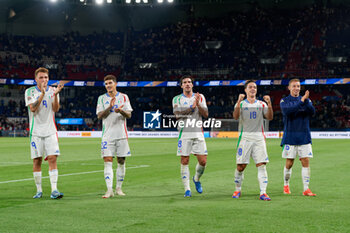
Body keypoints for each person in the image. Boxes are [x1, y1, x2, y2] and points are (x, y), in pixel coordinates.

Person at [24, 67, 64, 199]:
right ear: (36, 79)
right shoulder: (29, 91)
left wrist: (56, 94)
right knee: (37, 161)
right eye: (41, 77)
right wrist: (42, 93)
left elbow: (56, 109)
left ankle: (54, 189)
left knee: (53, 158)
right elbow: (33, 108)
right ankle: (39, 190)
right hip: (36, 132)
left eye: (46, 77)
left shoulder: (53, 90)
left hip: (51, 130)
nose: (44, 80)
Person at [232, 80, 273, 201]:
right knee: (240, 167)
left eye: (254, 87)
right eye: (250, 87)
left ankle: (263, 192)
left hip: (259, 139)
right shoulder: (241, 104)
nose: (252, 89)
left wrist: (269, 103)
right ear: (245, 90)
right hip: (245, 139)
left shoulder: (261, 104)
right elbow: (235, 117)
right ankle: (237, 190)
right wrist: (239, 101)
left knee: (261, 165)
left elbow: (269, 117)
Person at [96, 74, 132, 198]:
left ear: (115, 84)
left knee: (121, 161)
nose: (108, 86)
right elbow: (100, 115)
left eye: (110, 83)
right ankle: (109, 189)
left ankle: (119, 188)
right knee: (107, 161)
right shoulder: (101, 98)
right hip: (107, 136)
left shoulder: (124, 97)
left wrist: (120, 111)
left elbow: (129, 115)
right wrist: (110, 107)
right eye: (106, 84)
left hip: (121, 135)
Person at [172, 75, 208, 197]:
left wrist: (198, 105)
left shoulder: (200, 97)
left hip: (198, 133)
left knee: (203, 161)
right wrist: (191, 108)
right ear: (181, 85)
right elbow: (177, 115)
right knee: (184, 160)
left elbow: (206, 114)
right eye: (184, 82)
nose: (187, 84)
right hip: (184, 133)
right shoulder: (177, 99)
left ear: (192, 85)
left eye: (189, 82)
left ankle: (196, 179)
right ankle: (187, 189)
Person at [280, 79, 316, 196]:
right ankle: (286, 185)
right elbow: (288, 111)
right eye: (294, 86)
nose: (297, 88)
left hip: (304, 136)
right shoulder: (284, 101)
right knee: (289, 163)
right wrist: (301, 101)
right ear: (289, 88)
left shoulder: (306, 100)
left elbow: (312, 112)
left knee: (305, 161)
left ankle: (306, 189)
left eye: (298, 86)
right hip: (290, 136)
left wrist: (306, 102)